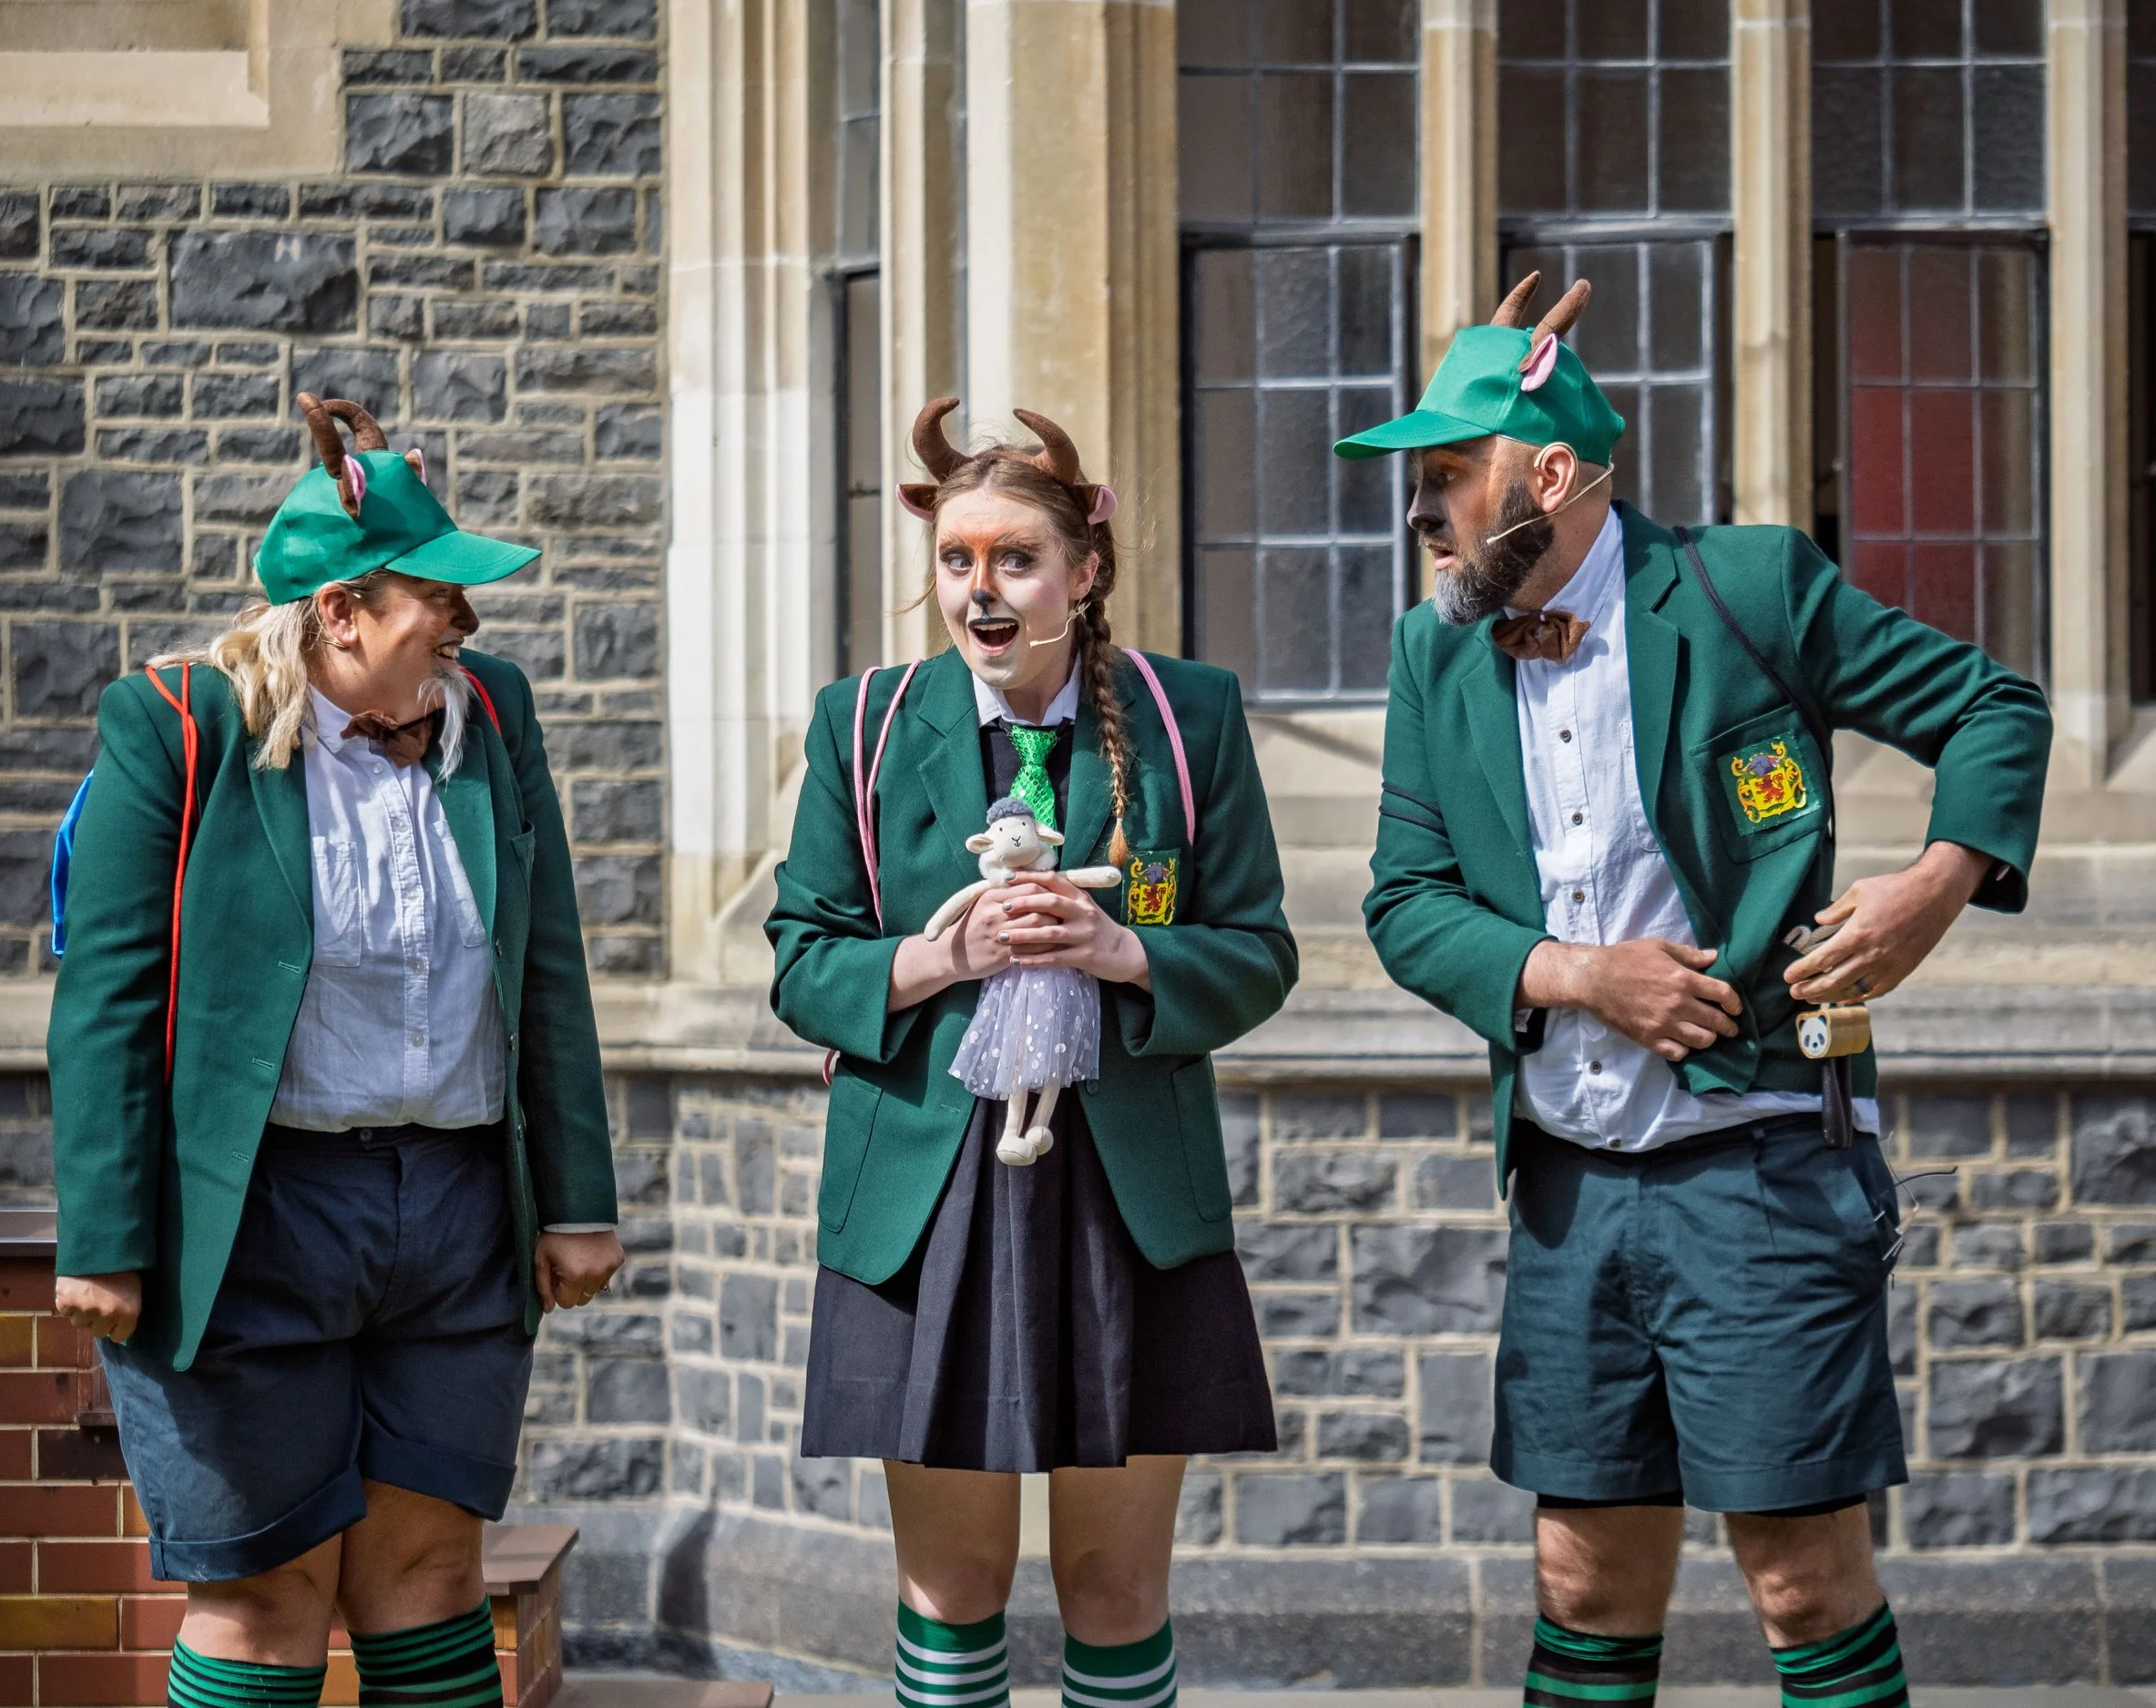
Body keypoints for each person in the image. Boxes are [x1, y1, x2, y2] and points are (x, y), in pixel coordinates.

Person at [1351, 276, 2051, 1708]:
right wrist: (1576, 974)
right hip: (1569, 1183)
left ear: (1551, 476)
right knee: (1581, 1580)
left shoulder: (1748, 588)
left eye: (1450, 476)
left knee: (1800, 1576)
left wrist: (1932, 888)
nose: (1422, 511)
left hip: (1766, 1163)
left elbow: (1994, 708)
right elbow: (1406, 903)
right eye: (1416, 482)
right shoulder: (1433, 653)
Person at [48, 395, 624, 1708]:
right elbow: (108, 996)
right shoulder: (178, 723)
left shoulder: (495, 713)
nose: (465, 620)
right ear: (342, 612)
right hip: (253, 1217)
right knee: (265, 1593)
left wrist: (577, 1198)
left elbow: (547, 962)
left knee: (431, 1574)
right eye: (437, 594)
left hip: (461, 1209)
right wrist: (104, 1235)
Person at [767, 400, 1295, 1708]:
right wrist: (939, 957)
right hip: (930, 1192)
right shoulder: (861, 722)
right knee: (952, 1584)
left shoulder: (1189, 715)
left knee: (1114, 1585)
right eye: (957, 560)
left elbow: (1260, 950)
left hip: (1127, 1193)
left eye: (1015, 559)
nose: (980, 589)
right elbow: (802, 959)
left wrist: (1126, 955)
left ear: (1085, 569)